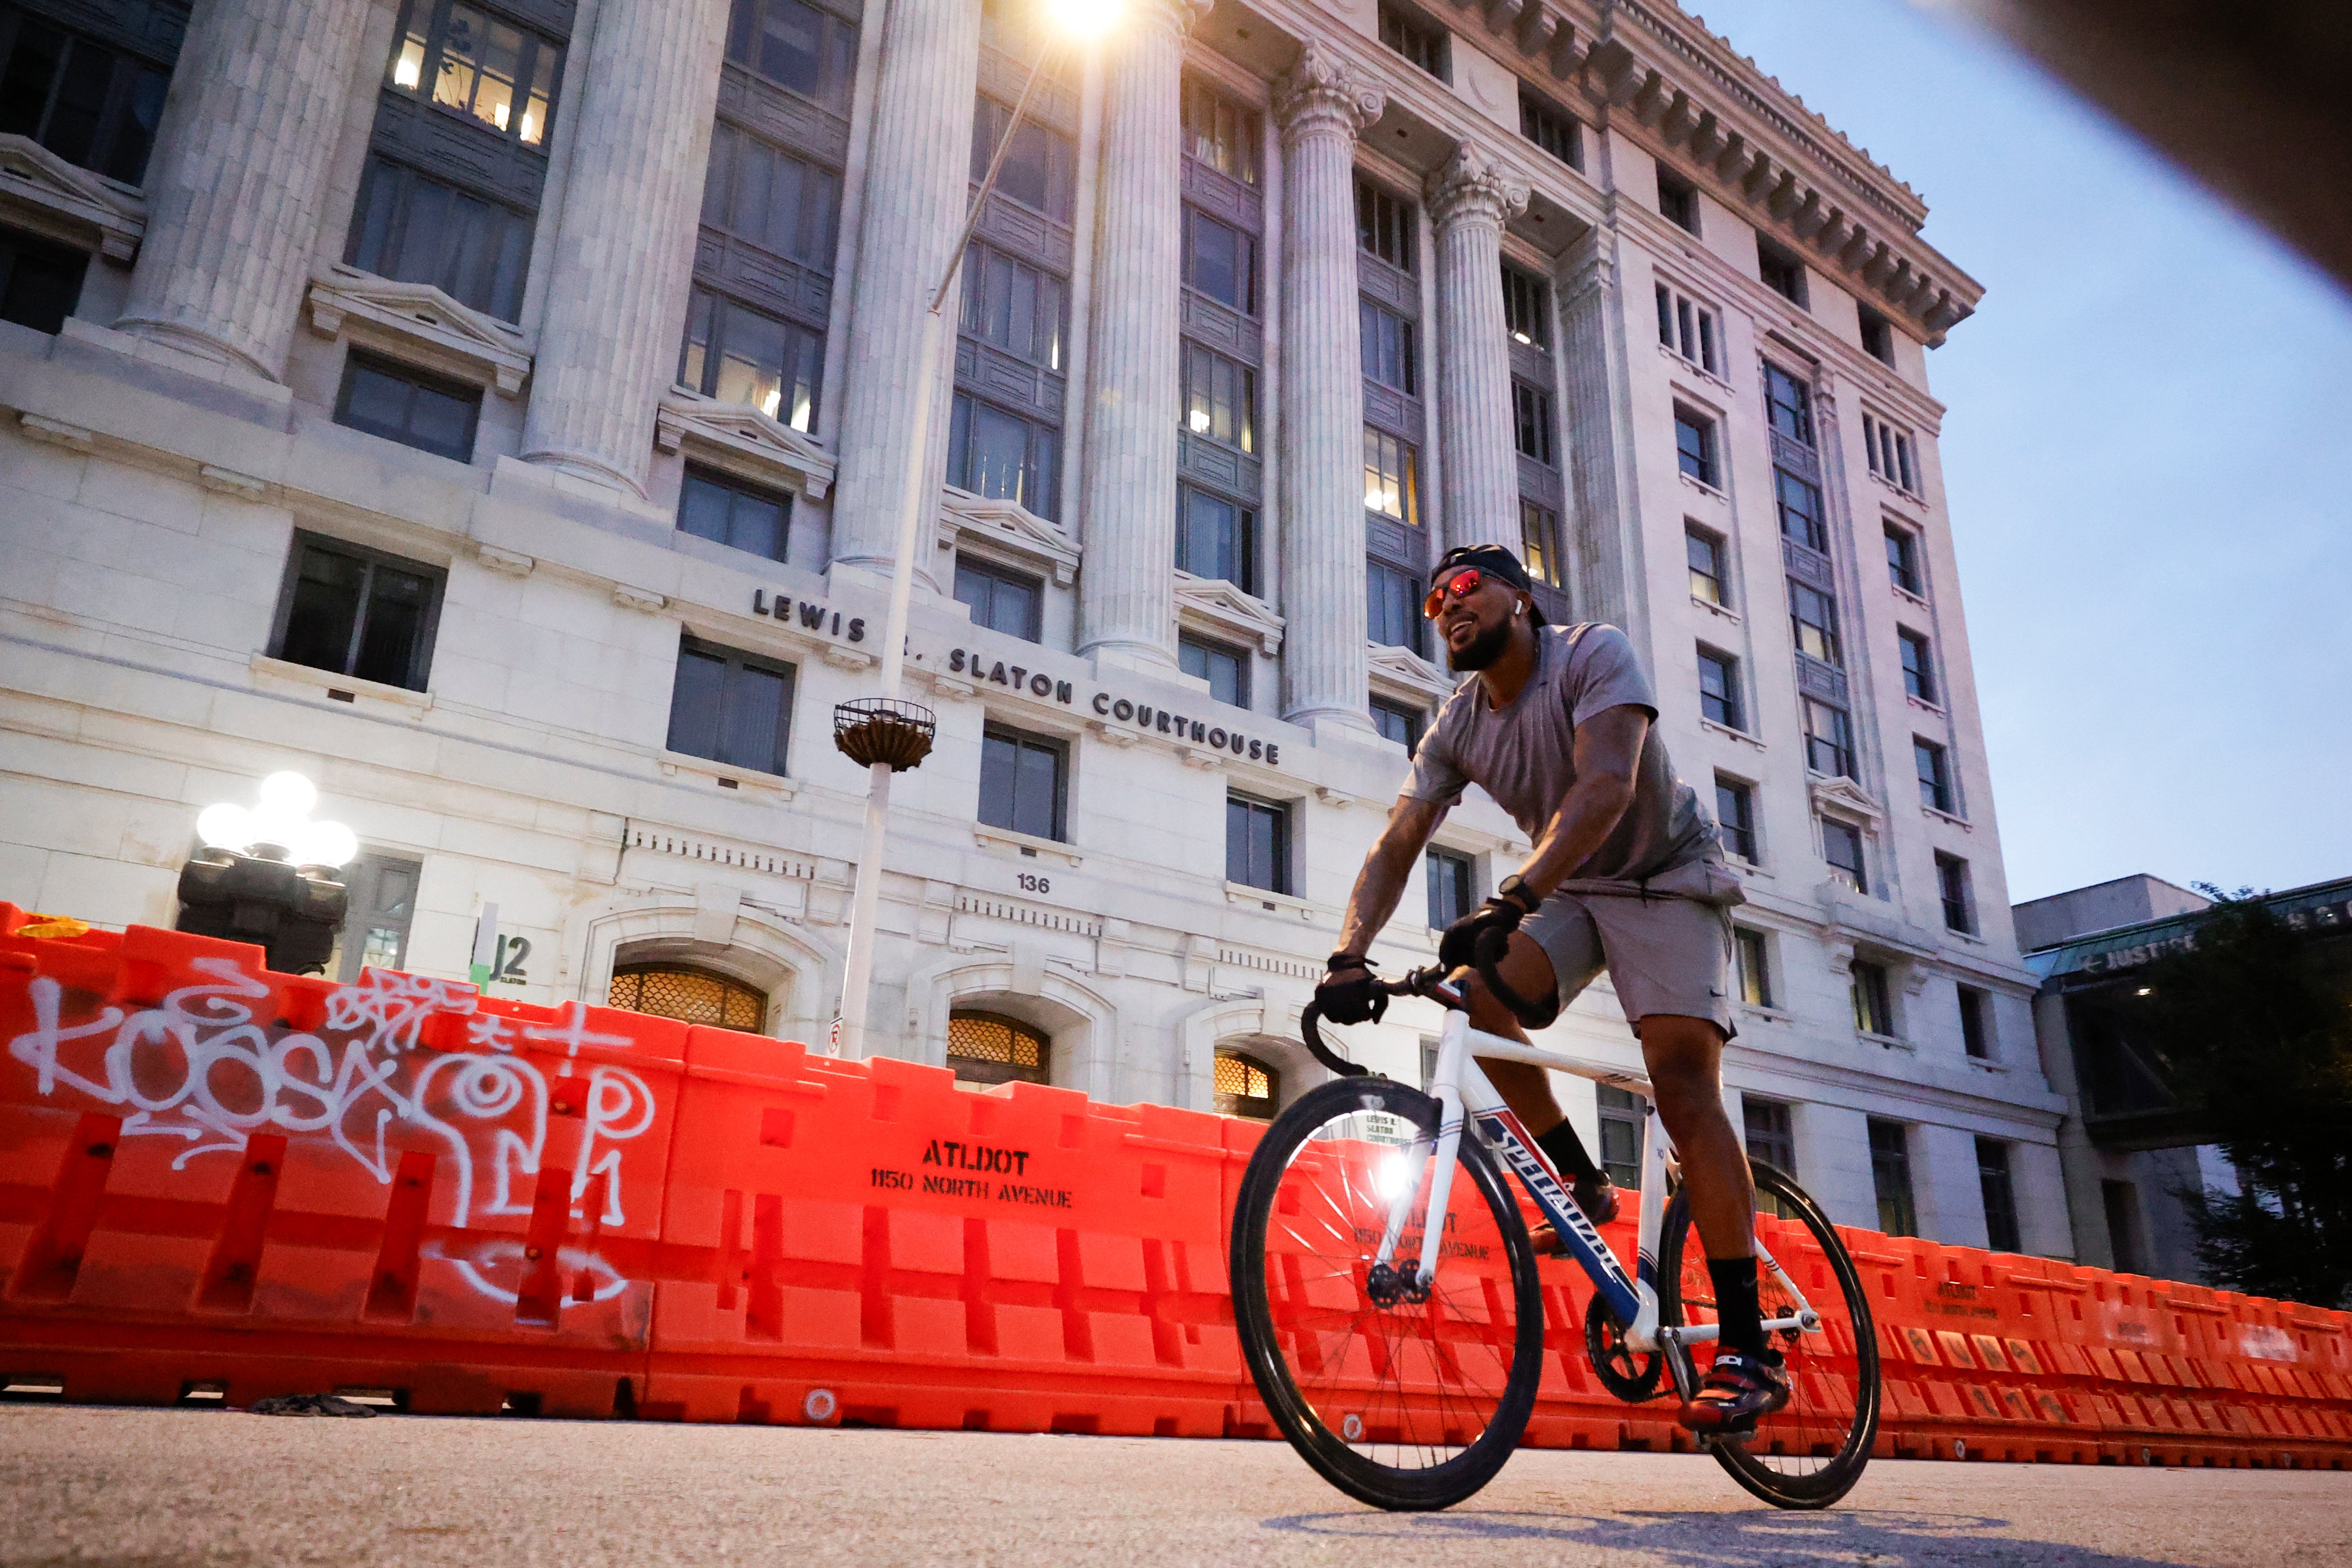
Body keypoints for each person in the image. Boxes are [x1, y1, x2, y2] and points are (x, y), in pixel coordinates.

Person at [1315, 543, 1786, 1434]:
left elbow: (1605, 786)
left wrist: (1513, 896)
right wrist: (1348, 955)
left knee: (1682, 1083)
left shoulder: (1592, 654)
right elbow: (1397, 841)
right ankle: (1581, 1183)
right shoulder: (1456, 723)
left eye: (1467, 589)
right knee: (1473, 995)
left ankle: (1749, 1347)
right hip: (1574, 888)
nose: (1449, 607)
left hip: (1668, 877)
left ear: (1521, 599)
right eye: (1433, 603)